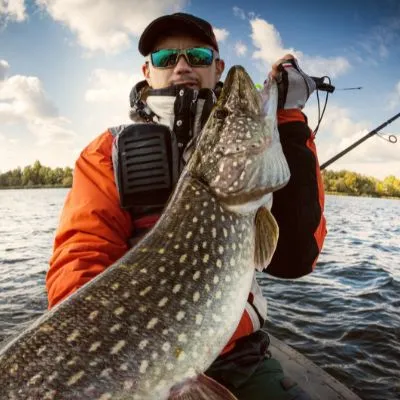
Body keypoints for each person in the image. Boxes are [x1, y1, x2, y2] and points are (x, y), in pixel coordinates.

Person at [46, 12, 326, 400]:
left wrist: (290, 118)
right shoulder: (105, 153)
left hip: (239, 358)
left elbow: (296, 257)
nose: (181, 67)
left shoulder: (252, 173)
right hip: (131, 364)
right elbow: (79, 261)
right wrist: (132, 359)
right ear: (148, 70)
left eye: (197, 55)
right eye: (165, 59)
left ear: (217, 67)